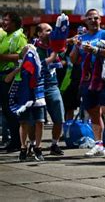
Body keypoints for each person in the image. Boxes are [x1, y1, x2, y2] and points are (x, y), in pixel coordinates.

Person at [70, 9, 105, 159]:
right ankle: (98, 144)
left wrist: (95, 50)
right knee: (93, 112)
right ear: (85, 21)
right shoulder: (82, 37)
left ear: (100, 19)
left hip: (104, 78)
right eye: (90, 18)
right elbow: (73, 59)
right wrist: (77, 46)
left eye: (96, 18)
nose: (93, 20)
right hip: (87, 79)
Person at [6, 44, 46, 161]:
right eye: (26, 52)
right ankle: (23, 147)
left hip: (38, 98)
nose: (29, 55)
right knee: (24, 123)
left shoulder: (38, 65)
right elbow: (7, 79)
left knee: (40, 122)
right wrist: (18, 69)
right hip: (24, 100)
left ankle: (38, 147)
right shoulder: (19, 67)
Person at [33, 23, 66, 155]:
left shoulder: (55, 45)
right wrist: (52, 58)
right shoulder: (33, 48)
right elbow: (37, 65)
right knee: (36, 119)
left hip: (52, 85)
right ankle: (32, 144)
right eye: (48, 31)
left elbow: (64, 61)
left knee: (59, 117)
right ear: (39, 34)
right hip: (37, 86)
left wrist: (58, 61)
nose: (51, 33)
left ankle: (54, 144)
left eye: (52, 30)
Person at [0, 11, 28, 152]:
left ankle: (17, 142)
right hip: (3, 76)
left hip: (11, 77)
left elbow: (22, 55)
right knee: (5, 110)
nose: (3, 22)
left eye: (7, 20)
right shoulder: (6, 36)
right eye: (3, 19)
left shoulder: (19, 37)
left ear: (15, 23)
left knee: (10, 110)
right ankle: (13, 140)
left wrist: (2, 57)